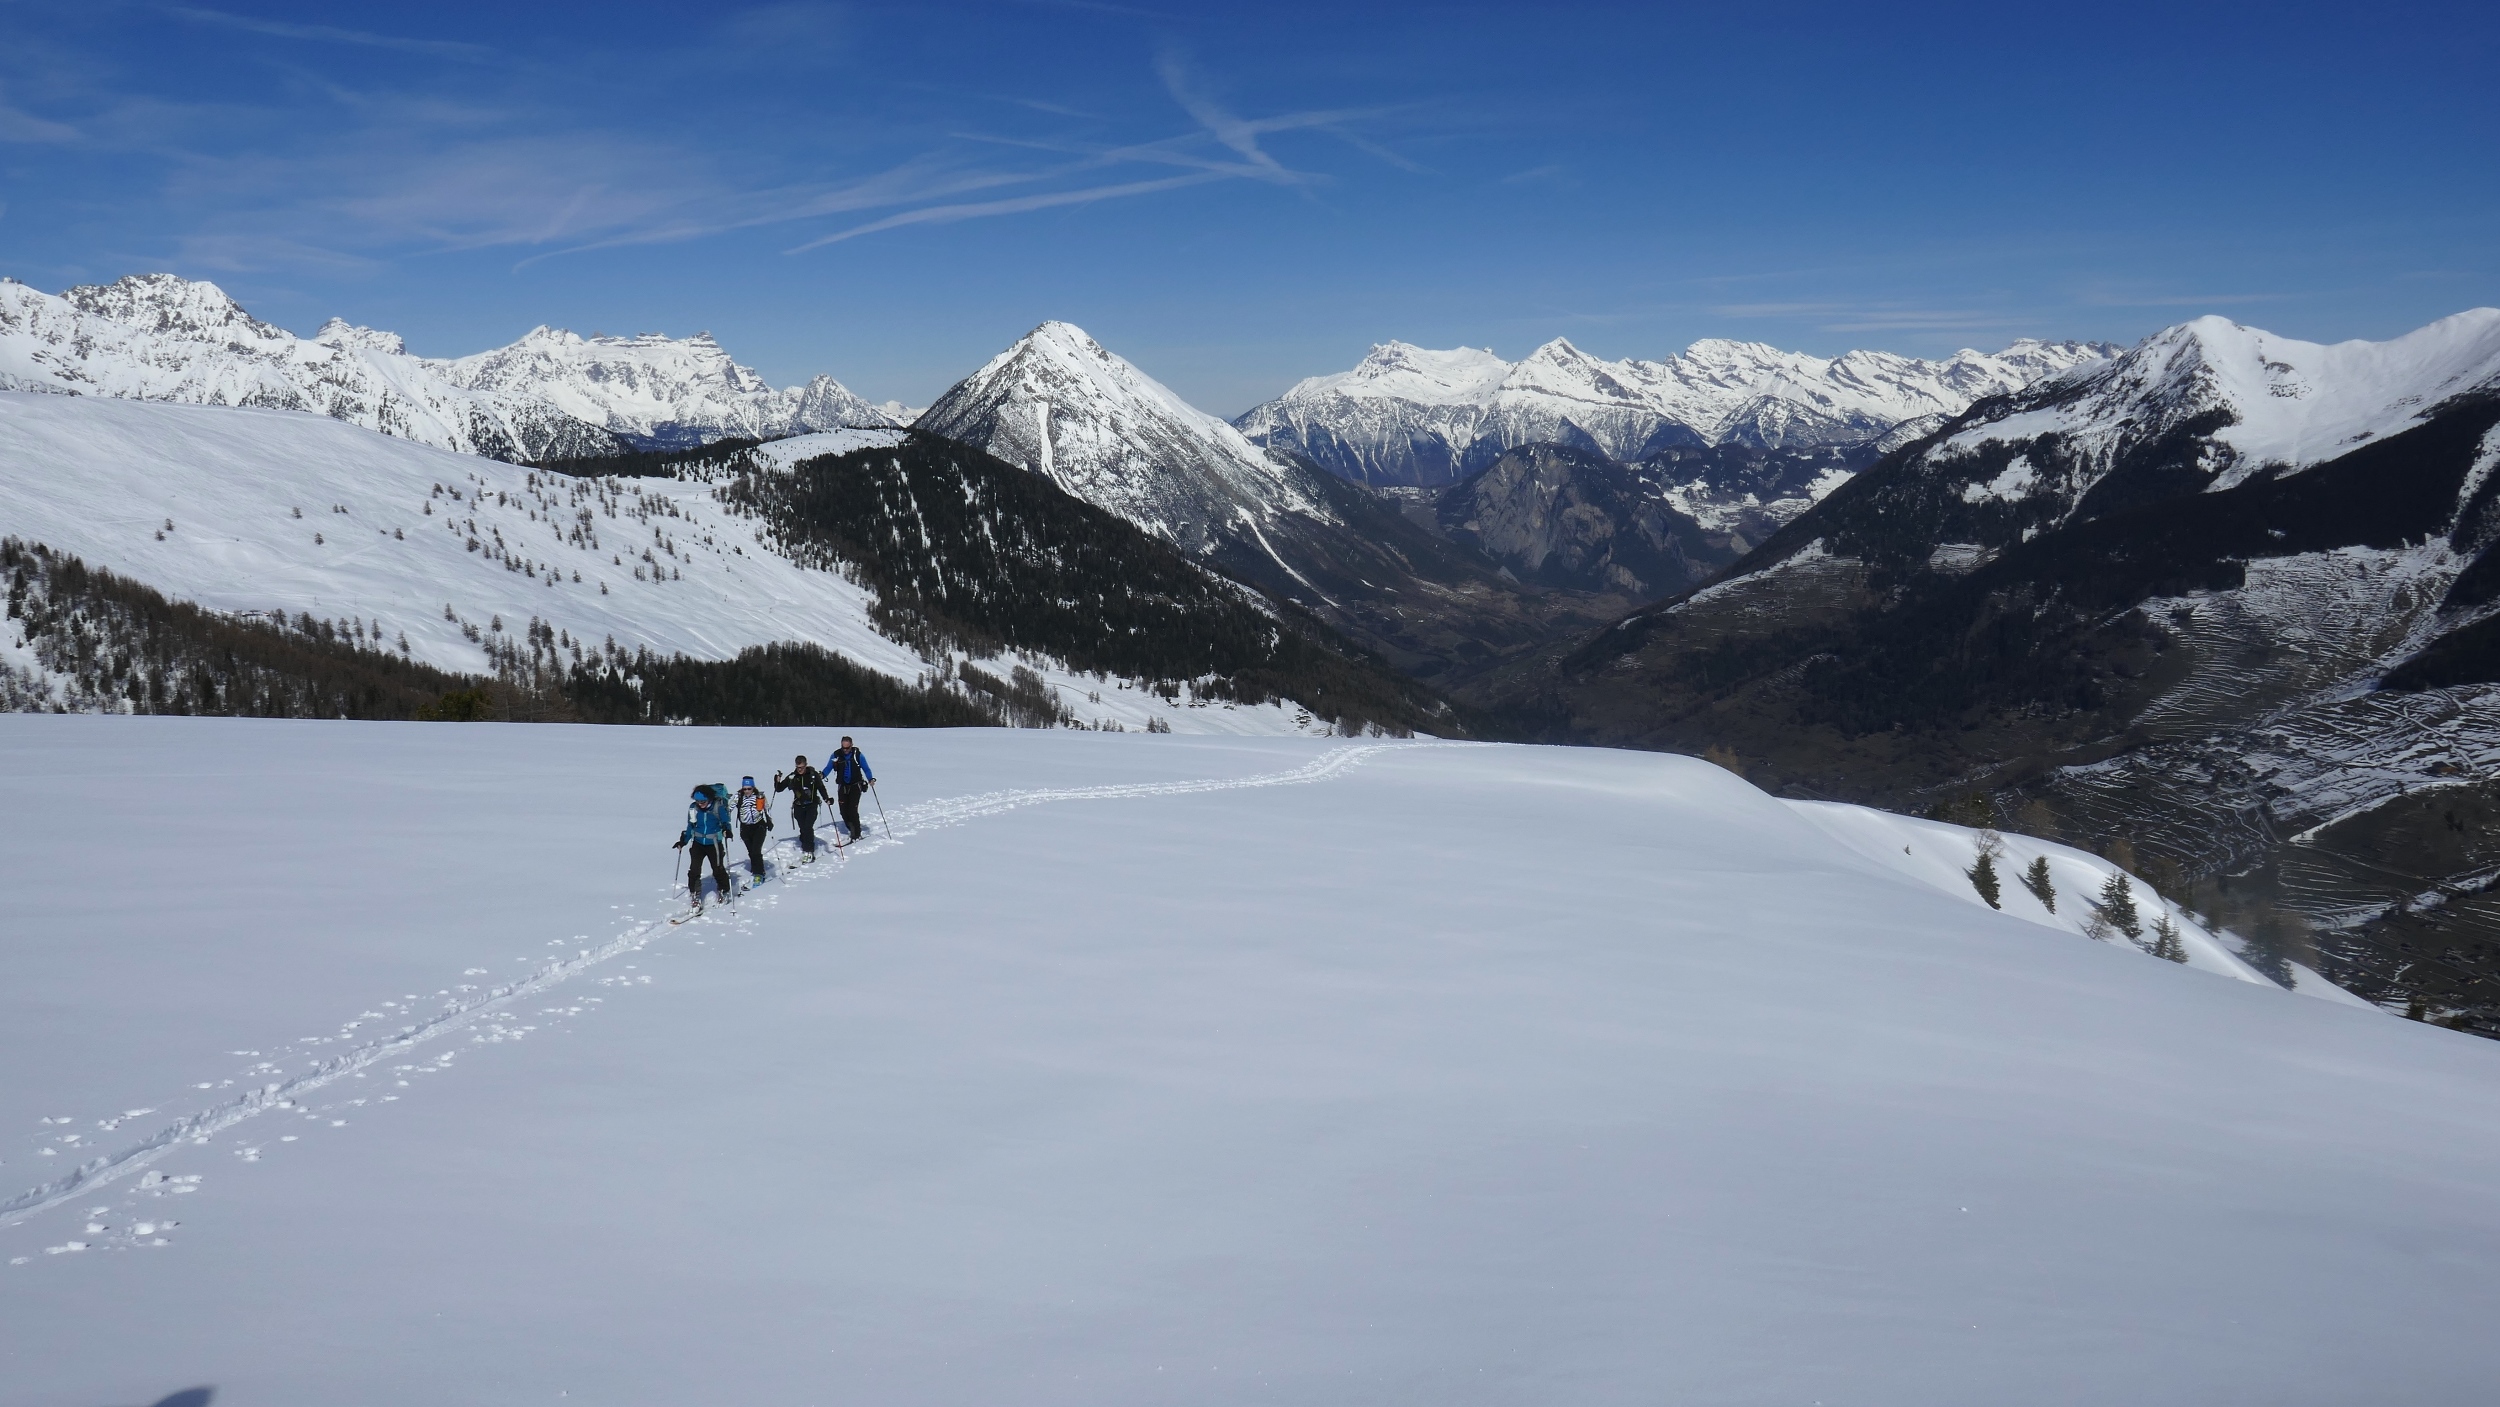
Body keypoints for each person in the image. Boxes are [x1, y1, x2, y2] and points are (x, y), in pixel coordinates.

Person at [673, 786, 732, 909]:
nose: (700, 804)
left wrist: (727, 830)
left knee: (718, 869)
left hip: (714, 843)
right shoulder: (693, 808)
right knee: (694, 870)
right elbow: (690, 826)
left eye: (703, 802)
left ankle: (724, 890)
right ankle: (695, 893)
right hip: (698, 842)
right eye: (698, 802)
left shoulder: (718, 807)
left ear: (709, 799)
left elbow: (726, 822)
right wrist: (683, 841)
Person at [774, 754, 831, 856]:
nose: (799, 769)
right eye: (797, 767)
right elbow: (779, 788)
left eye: (801, 767)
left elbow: (821, 788)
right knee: (803, 827)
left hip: (811, 805)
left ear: (806, 765)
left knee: (808, 827)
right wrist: (777, 781)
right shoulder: (792, 777)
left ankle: (809, 851)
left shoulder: (813, 775)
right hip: (798, 806)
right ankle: (805, 840)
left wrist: (826, 798)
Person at [826, 735, 875, 841]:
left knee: (852, 810)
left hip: (855, 786)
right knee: (843, 811)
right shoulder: (836, 755)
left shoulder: (858, 755)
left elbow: (866, 768)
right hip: (842, 786)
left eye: (847, 748)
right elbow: (828, 767)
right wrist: (822, 776)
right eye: (843, 748)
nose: (845, 750)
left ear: (851, 746)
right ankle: (851, 828)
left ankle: (856, 833)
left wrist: (870, 779)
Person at [734, 775, 774, 883]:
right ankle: (755, 867)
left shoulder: (759, 796)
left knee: (756, 850)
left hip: (759, 826)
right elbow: (729, 808)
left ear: (753, 788)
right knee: (751, 851)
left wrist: (769, 820)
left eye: (749, 789)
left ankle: (759, 873)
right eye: (745, 789)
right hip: (745, 828)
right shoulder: (738, 797)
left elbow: (767, 808)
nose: (747, 791)